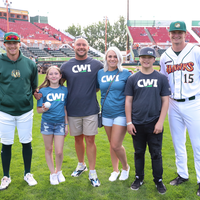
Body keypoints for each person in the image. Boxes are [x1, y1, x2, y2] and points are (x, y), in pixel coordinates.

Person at [160, 21, 200, 196]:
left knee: (198, 145)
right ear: (169, 34)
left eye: (180, 32)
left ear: (186, 34)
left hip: (194, 102)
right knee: (178, 143)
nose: (176, 35)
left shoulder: (196, 51)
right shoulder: (165, 56)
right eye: (173, 32)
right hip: (173, 103)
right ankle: (182, 174)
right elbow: (163, 80)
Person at [125, 47, 170, 194]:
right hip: (137, 123)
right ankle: (139, 178)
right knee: (139, 152)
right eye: (143, 57)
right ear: (139, 58)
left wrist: (160, 122)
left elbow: (165, 101)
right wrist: (129, 122)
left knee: (156, 153)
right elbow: (128, 102)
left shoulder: (161, 78)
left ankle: (158, 180)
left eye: (149, 57)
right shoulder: (133, 79)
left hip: (154, 122)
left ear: (154, 59)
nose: (146, 60)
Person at [60, 38, 103, 187]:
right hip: (73, 110)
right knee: (78, 139)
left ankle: (92, 172)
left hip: (90, 109)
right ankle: (81, 165)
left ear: (88, 47)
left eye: (84, 45)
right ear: (73, 47)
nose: (81, 47)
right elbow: (57, 85)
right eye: (78, 44)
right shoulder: (66, 66)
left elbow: (102, 82)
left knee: (90, 140)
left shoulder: (97, 64)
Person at [0, 32, 38, 190]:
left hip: (25, 110)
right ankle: (6, 176)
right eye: (9, 43)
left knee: (26, 142)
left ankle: (27, 173)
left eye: (15, 43)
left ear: (19, 44)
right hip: (4, 110)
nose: (12, 46)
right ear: (4, 44)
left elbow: (34, 86)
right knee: (6, 144)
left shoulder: (30, 64)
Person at [97, 47, 131, 182]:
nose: (112, 59)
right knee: (112, 144)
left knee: (116, 144)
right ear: (106, 58)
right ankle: (115, 170)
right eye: (110, 56)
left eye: (115, 56)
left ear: (119, 58)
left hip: (121, 113)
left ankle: (125, 167)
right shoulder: (100, 73)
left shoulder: (126, 73)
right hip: (106, 113)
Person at [37, 66, 68, 185]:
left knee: (59, 151)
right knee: (49, 149)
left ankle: (59, 171)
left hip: (60, 123)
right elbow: (38, 110)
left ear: (60, 76)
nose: (54, 76)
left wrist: (66, 124)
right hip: (47, 123)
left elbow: (65, 108)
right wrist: (44, 109)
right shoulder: (42, 91)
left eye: (56, 74)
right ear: (47, 76)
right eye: (51, 74)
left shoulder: (64, 90)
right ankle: (52, 174)